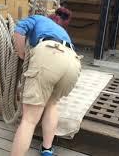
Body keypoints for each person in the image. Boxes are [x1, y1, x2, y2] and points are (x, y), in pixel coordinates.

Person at [11, 8, 81, 156]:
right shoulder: (61, 31)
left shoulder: (36, 18)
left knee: (29, 119)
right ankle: (47, 149)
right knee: (52, 104)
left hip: (50, 52)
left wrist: (21, 53)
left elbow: (19, 30)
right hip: (73, 61)